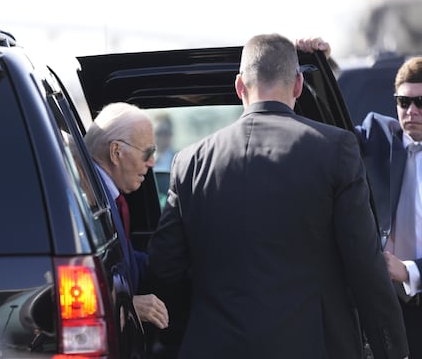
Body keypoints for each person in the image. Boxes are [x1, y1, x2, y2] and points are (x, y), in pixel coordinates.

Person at [147, 33, 409, 358]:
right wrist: (392, 349)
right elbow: (364, 266)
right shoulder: (335, 149)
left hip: (212, 345)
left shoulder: (190, 161)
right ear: (298, 85)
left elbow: (165, 266)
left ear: (240, 86)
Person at [353, 56, 422, 359]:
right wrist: (320, 60)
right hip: (386, 304)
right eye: (404, 101)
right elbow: (325, 132)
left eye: (421, 102)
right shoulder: (377, 135)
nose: (412, 111)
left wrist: (408, 270)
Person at [84, 102, 169, 331]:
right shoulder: (84, 203)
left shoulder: (106, 198)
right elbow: (73, 288)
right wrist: (124, 305)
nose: (152, 163)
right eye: (148, 153)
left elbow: (127, 260)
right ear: (116, 152)